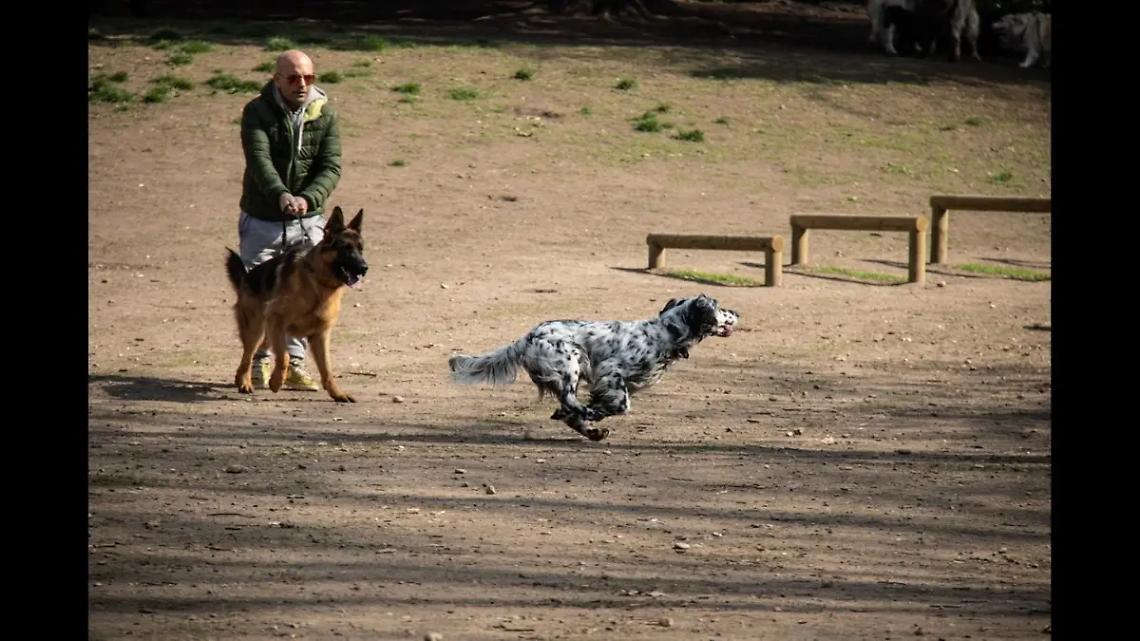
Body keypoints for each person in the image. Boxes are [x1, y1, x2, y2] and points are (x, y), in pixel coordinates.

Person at [237, 49, 342, 390]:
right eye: (294, 77)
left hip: (308, 219)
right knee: (263, 297)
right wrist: (280, 194)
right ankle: (258, 363)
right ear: (276, 79)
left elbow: (331, 166)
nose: (302, 84)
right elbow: (259, 159)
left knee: (305, 294)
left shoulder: (324, 113)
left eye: (308, 77)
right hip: (262, 218)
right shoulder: (256, 111)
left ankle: (296, 365)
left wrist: (307, 198)